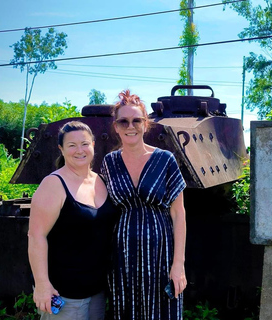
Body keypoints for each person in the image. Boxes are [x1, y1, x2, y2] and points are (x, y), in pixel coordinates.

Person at [101, 90, 187, 320]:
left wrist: (178, 264)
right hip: (122, 256)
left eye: (137, 120)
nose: (131, 126)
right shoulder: (109, 163)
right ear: (116, 127)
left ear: (145, 124)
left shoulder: (165, 159)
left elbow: (178, 214)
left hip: (161, 253)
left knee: (163, 311)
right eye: (124, 121)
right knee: (125, 310)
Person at [28, 121, 118, 319]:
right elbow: (36, 236)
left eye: (85, 143)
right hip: (64, 293)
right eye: (71, 145)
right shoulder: (54, 184)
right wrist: (42, 284)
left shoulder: (101, 180)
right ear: (61, 149)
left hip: (96, 290)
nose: (80, 150)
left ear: (93, 145)